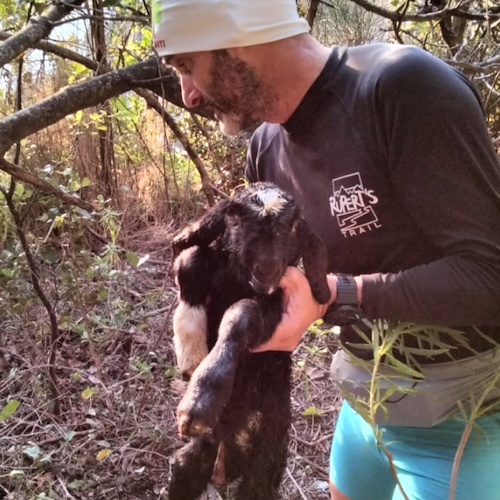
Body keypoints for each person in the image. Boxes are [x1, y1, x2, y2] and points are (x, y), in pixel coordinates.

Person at [152, 1, 500, 499]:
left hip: (467, 416)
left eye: (188, 66)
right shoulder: (265, 150)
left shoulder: (401, 87)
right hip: (362, 404)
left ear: (240, 40)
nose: (187, 96)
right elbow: (280, 293)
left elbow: (490, 275)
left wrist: (342, 292)